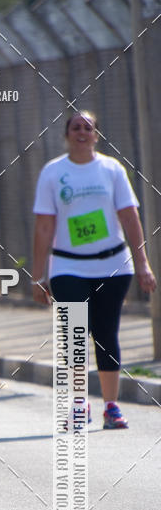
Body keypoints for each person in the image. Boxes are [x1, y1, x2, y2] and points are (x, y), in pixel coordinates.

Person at [32, 109, 156, 428]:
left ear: (97, 135)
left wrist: (142, 264)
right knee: (75, 334)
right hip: (68, 266)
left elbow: (129, 217)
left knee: (106, 332)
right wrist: (38, 275)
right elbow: (44, 226)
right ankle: (78, 403)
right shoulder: (53, 173)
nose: (82, 132)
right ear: (67, 135)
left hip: (113, 264)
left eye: (88, 128)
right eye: (76, 127)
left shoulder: (111, 169)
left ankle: (111, 406)